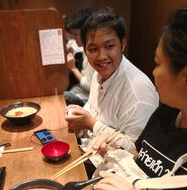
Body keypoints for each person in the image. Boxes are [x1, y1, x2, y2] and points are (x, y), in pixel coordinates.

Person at [88, 8, 187, 190]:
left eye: (157, 63)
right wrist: (113, 153)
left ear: (186, 77)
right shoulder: (167, 111)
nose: (152, 73)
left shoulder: (141, 90)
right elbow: (141, 159)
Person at [65, 7, 159, 173]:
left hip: (112, 172)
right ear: (85, 49)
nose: (101, 56)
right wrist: (80, 114)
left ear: (122, 44)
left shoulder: (138, 90)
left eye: (109, 46)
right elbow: (93, 106)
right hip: (88, 154)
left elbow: (137, 150)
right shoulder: (99, 72)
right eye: (93, 49)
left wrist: (91, 123)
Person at [64, 9, 95, 107]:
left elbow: (90, 88)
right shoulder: (85, 50)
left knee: (63, 96)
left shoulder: (92, 53)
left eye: (76, 34)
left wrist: (73, 68)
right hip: (79, 92)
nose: (73, 38)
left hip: (88, 100)